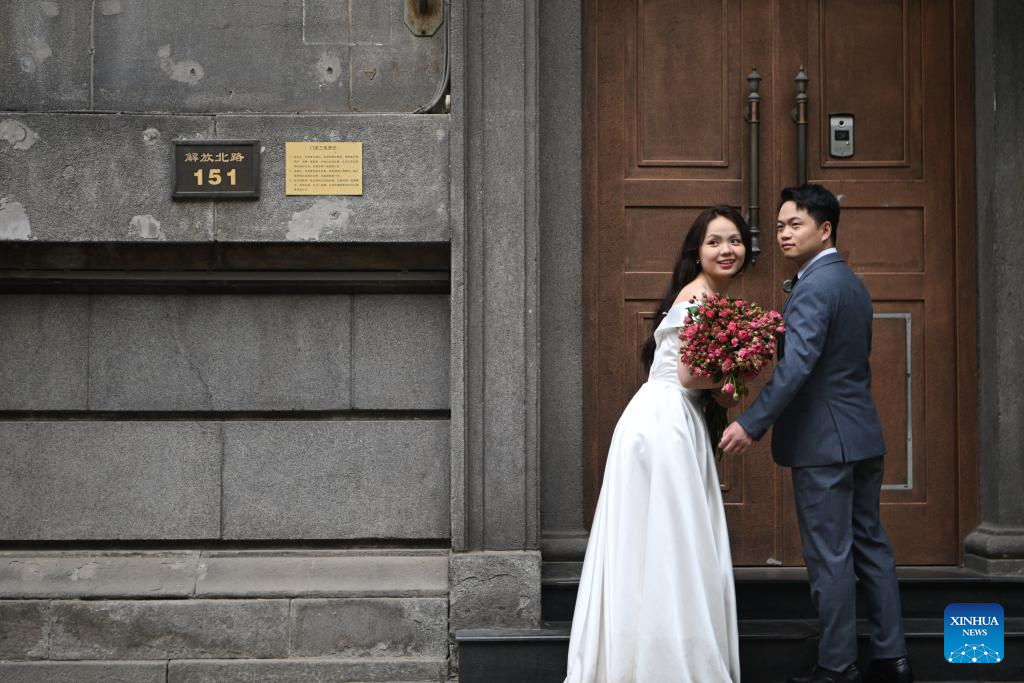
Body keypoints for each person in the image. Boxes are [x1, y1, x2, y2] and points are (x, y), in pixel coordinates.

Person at [719, 184, 912, 683]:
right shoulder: (849, 283)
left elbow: (798, 366)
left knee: (830, 557)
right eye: (780, 225)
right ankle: (892, 659)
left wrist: (751, 422)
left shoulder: (815, 286)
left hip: (824, 444)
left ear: (825, 229)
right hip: (861, 435)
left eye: (795, 224)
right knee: (870, 546)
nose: (783, 233)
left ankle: (838, 666)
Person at [564, 205, 748, 683]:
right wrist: (738, 374)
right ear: (696, 251)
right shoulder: (699, 297)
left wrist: (730, 384)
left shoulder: (710, 297)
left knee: (657, 537)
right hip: (666, 424)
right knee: (672, 536)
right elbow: (690, 375)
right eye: (714, 241)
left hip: (667, 418)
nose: (726, 250)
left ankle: (649, 654)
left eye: (735, 240)